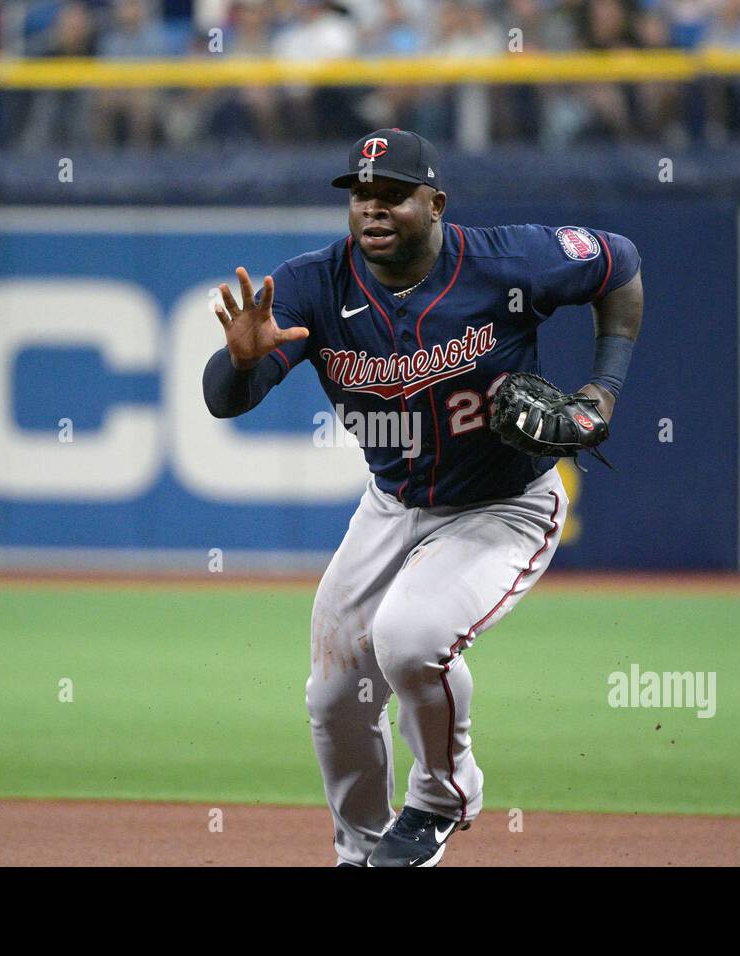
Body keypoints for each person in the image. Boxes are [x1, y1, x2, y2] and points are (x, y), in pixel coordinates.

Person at [202, 129, 643, 867]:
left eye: (392, 196)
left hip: (504, 505)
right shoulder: (315, 284)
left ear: (435, 203)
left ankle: (443, 796)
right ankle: (362, 849)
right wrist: (238, 364)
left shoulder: (508, 261)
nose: (372, 209)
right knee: (335, 693)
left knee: (408, 639)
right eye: (360, 196)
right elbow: (224, 401)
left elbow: (619, 264)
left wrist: (604, 390)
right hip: (391, 505)